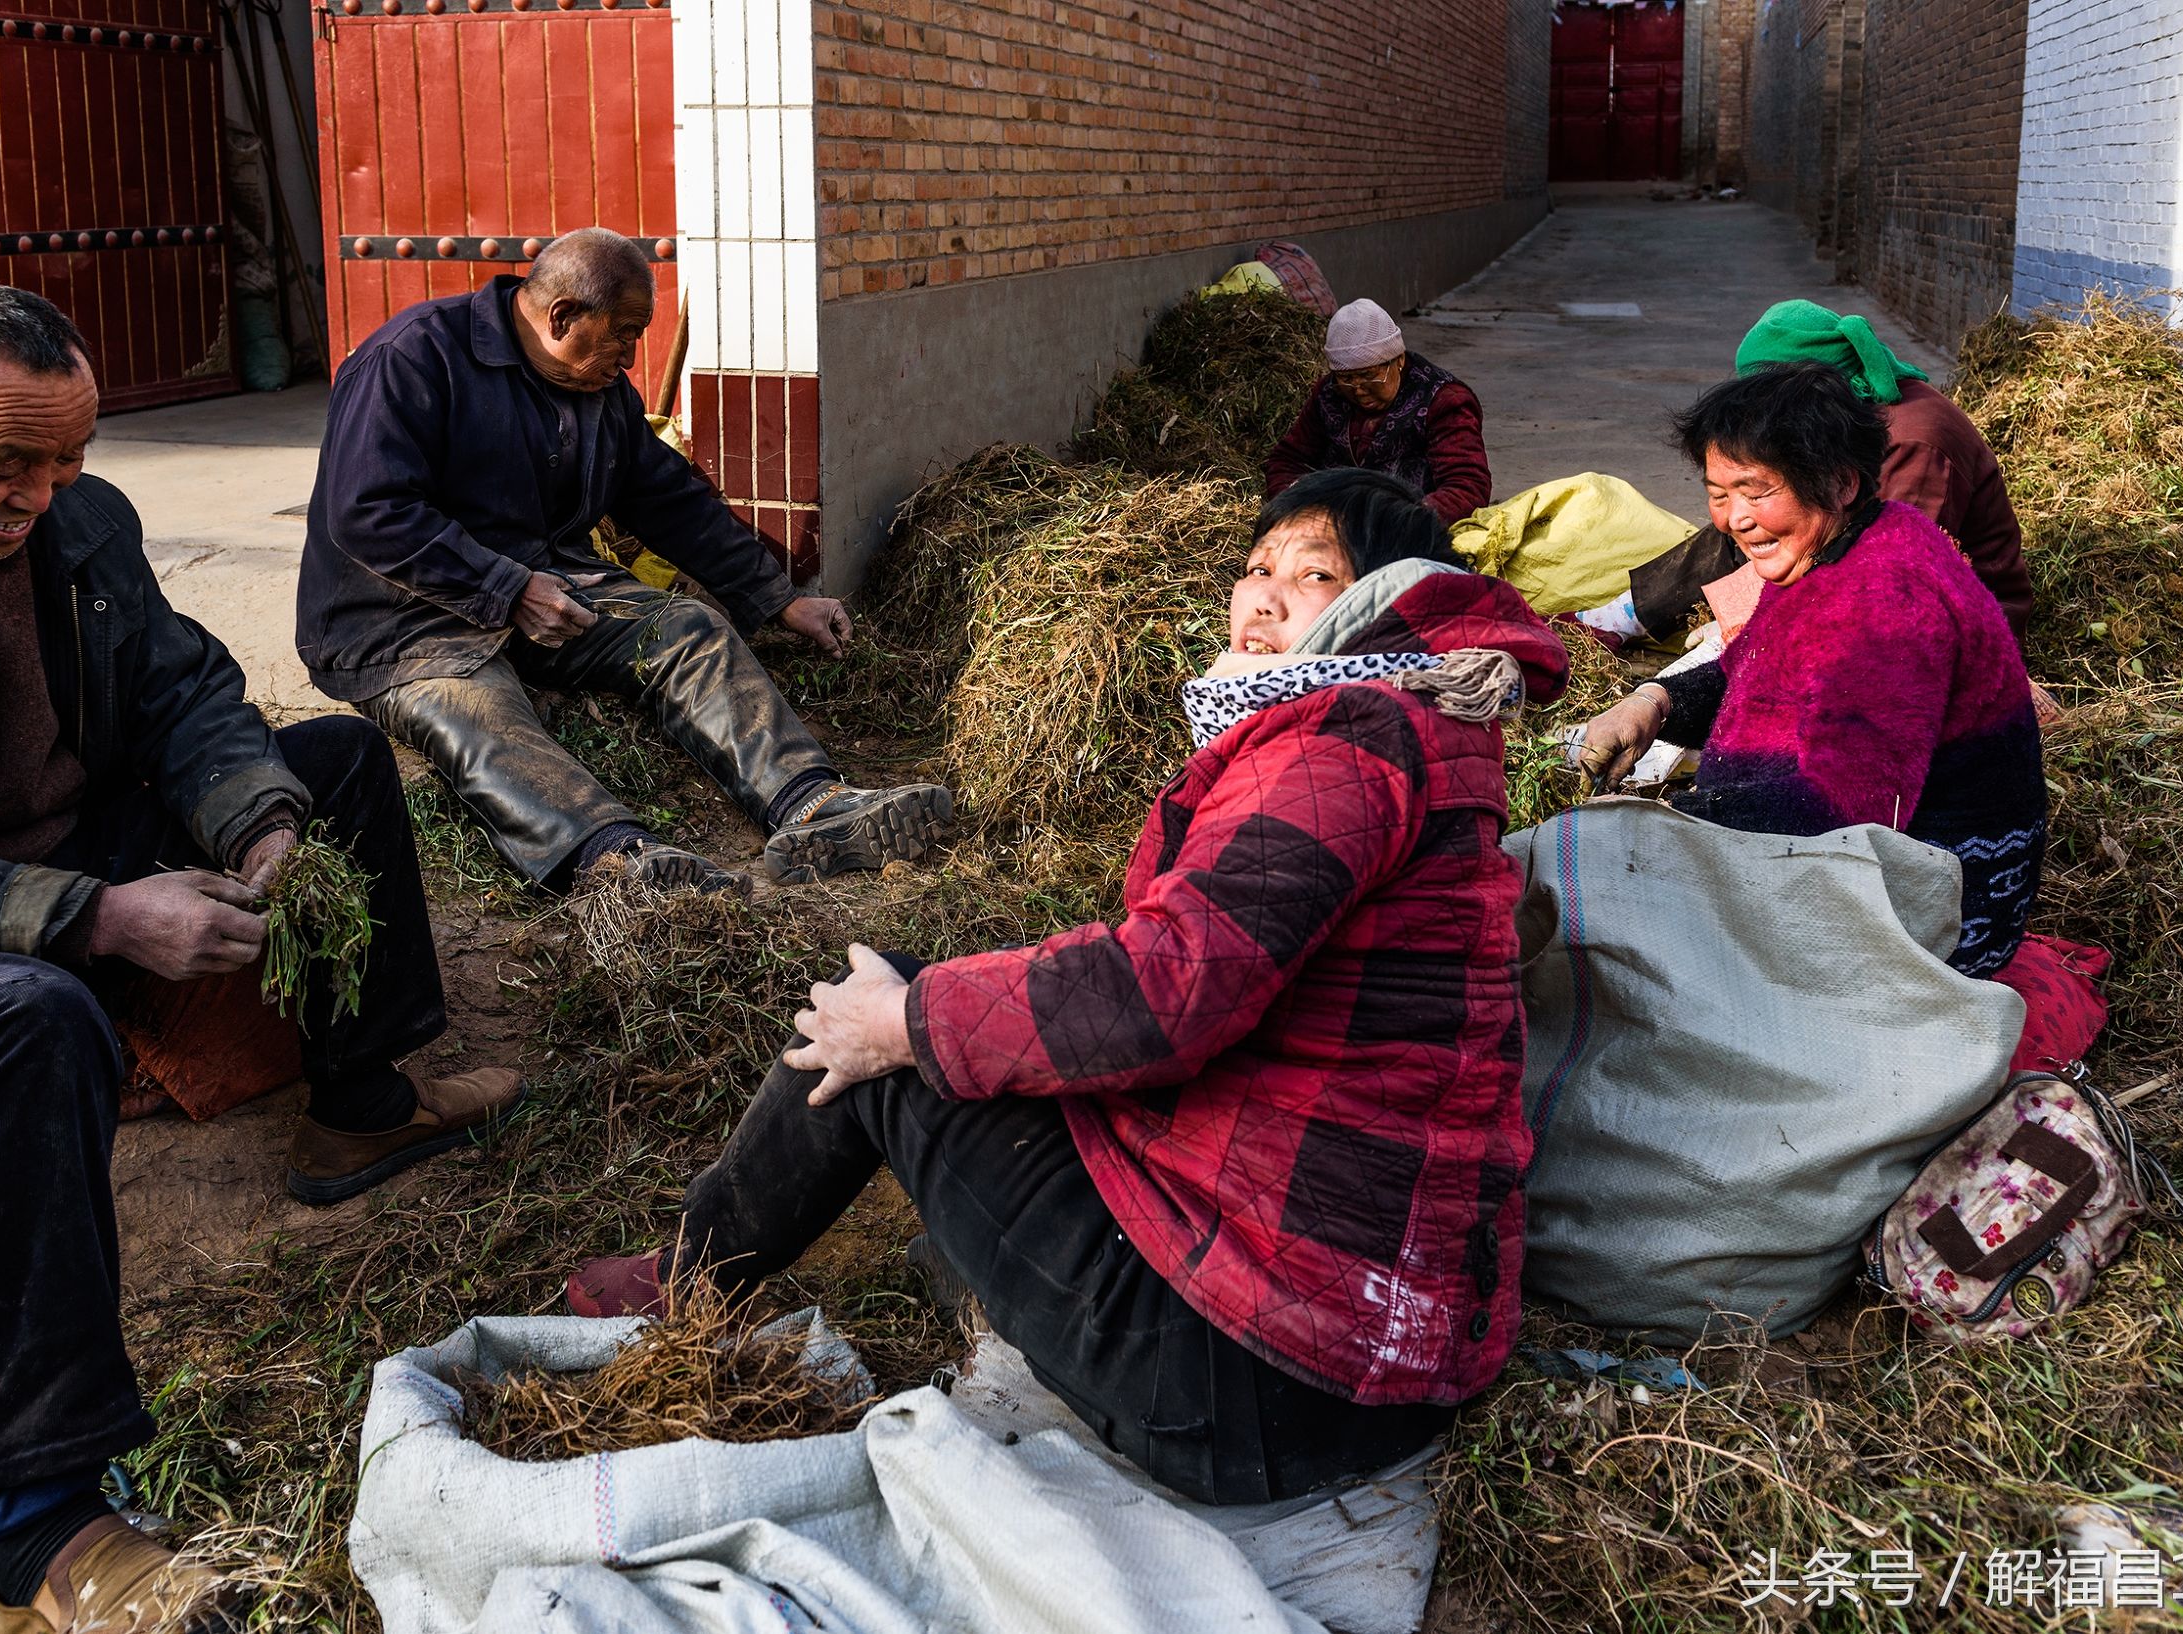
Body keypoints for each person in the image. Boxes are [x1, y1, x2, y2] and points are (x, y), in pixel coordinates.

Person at [567, 469, 1570, 1504]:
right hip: (1377, 1352)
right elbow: (1189, 963)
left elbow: (1164, 990)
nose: (1263, 597)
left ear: (1388, 600)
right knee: (980, 1030)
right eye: (1255, 567)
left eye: (1314, 574)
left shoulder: (1341, 743)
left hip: (1254, 1377)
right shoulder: (1422, 724)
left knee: (878, 1023)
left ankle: (687, 1279)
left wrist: (907, 1022)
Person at [0, 287, 521, 1632]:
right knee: (21, 1020)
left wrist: (257, 822)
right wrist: (99, 916)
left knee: (328, 764)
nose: (41, 498)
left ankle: (360, 1103)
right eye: (3, 464)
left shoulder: (81, 523)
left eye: (68, 461)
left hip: (53, 862)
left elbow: (183, 690)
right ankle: (47, 1534)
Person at [295, 228, 952, 896]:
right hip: (399, 622)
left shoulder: (596, 384)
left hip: (544, 592)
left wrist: (779, 597)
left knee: (687, 629)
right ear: (560, 317)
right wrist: (507, 587)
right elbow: (367, 512)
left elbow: (664, 495)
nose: (630, 356)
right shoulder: (414, 356)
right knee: (483, 712)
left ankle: (814, 806)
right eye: (623, 333)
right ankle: (619, 863)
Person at [1577, 364, 2046, 977]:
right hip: (1848, 849)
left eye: (1755, 492)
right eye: (1718, 495)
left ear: (1839, 482)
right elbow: (1753, 671)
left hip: (1940, 918)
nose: (1732, 520)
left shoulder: (1888, 602)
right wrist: (1653, 702)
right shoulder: (1836, 547)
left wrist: (1668, 829)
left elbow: (1834, 814)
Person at [1583, 298, 2033, 648]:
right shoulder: (1839, 419)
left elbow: (1882, 571)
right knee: (1747, 506)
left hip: (1943, 614)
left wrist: (1745, 628)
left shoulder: (1912, 441)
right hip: (1844, 563)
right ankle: (1625, 616)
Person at [1264, 299, 1492, 526]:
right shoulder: (1328, 393)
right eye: (1347, 379)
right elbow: (1287, 459)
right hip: (1334, 521)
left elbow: (1467, 486)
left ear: (1399, 360)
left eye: (1368, 375)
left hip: (1409, 527)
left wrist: (1405, 520)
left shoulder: (1444, 401)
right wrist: (1296, 505)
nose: (1359, 389)